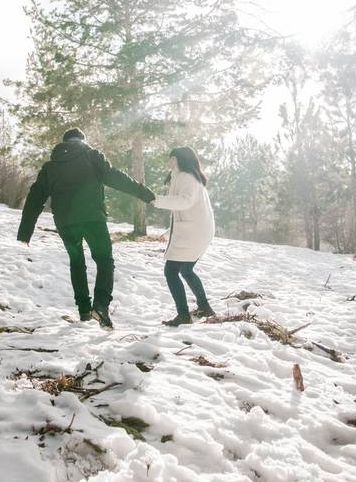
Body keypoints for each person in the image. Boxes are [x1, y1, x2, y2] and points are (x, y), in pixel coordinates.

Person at [17, 128, 155, 330]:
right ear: (82, 140)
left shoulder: (51, 166)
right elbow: (115, 177)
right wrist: (144, 193)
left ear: (64, 143)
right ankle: (100, 306)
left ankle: (83, 310)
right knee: (104, 260)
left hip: (66, 223)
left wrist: (25, 231)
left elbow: (35, 197)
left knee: (77, 262)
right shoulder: (91, 156)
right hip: (92, 220)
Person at [151, 147, 216, 326]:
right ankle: (204, 307)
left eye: (172, 158)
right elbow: (183, 210)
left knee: (170, 271)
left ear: (179, 159)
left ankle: (184, 315)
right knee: (186, 270)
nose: (169, 161)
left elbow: (184, 202)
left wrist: (157, 200)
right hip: (197, 230)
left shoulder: (186, 177)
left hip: (194, 232)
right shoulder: (182, 175)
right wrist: (169, 232)